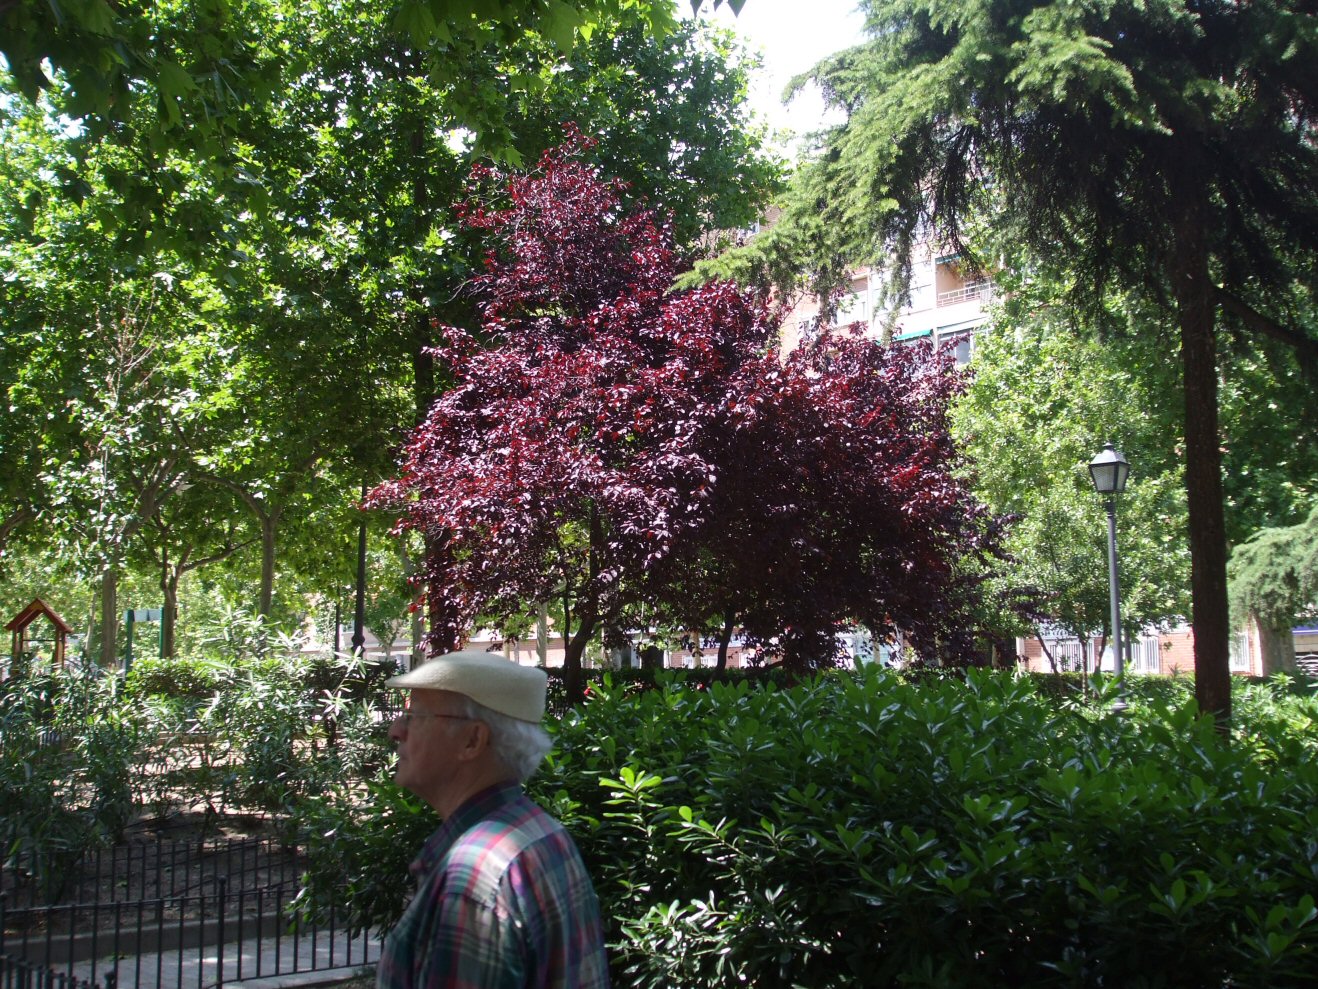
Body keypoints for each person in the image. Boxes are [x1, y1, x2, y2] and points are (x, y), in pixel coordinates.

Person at [376, 649, 610, 989]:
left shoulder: (472, 878)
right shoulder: (543, 833)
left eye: (415, 716)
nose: (396, 730)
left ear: (472, 740)